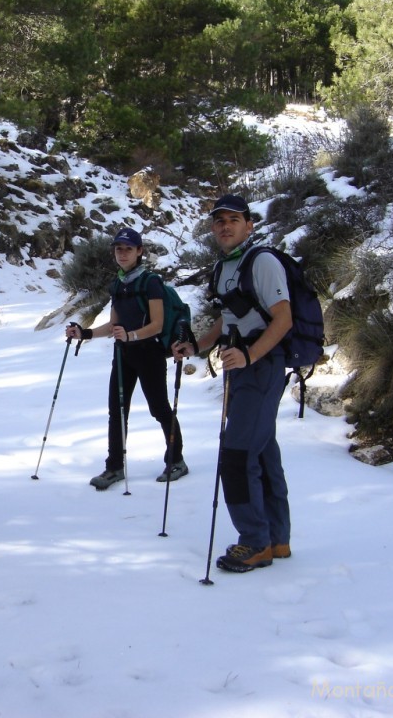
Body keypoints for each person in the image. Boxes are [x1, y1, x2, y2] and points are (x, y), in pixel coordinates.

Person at [173, 194, 292, 572]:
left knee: (237, 455)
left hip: (261, 365)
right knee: (261, 450)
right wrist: (196, 345)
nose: (225, 225)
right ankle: (276, 539)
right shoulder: (224, 267)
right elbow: (228, 320)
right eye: (219, 220)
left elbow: (283, 319)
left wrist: (250, 356)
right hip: (239, 366)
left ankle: (254, 542)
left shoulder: (263, 261)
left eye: (233, 219)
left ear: (249, 224)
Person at [65, 227, 186, 490]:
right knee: (116, 412)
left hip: (149, 353)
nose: (122, 253)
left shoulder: (151, 282)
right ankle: (114, 467)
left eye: (128, 248)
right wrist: (84, 333)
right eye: (118, 249)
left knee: (159, 408)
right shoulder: (118, 284)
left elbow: (157, 324)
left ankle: (176, 460)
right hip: (124, 355)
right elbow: (113, 326)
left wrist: (130, 336)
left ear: (140, 251)